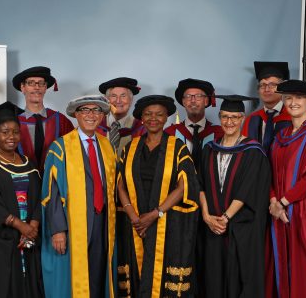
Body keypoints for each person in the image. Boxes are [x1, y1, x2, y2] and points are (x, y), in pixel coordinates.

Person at [117, 95, 199, 297]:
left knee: (161, 275)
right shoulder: (130, 147)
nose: (153, 118)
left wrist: (155, 213)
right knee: (136, 272)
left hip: (165, 222)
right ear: (141, 118)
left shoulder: (177, 147)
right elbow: (120, 184)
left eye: (159, 114)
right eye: (148, 114)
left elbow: (184, 185)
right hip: (134, 222)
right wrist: (135, 217)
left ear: (166, 118)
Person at [41, 95, 116, 298]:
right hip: (73, 224)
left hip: (103, 221)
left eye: (97, 111)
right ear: (76, 114)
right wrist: (58, 230)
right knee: (74, 279)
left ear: (102, 116)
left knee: (100, 274)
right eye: (85, 110)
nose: (91, 115)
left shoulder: (107, 147)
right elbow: (52, 192)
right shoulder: (61, 147)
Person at [198, 95, 270, 298]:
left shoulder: (253, 151)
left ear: (243, 119)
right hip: (212, 226)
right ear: (220, 117)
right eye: (225, 117)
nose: (229, 122)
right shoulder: (209, 150)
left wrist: (226, 218)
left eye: (235, 117)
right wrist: (206, 216)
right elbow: (200, 185)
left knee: (238, 279)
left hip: (239, 228)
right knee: (213, 278)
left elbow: (247, 189)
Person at [0, 101, 44, 298]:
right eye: (5, 132)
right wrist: (20, 227)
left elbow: (40, 197)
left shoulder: (28, 164)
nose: (11, 137)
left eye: (15, 132)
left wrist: (32, 226)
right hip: (2, 239)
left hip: (29, 236)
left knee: (31, 284)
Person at [268, 80, 306, 298]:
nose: (293, 102)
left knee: (303, 268)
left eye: (298, 98)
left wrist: (284, 202)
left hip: (303, 213)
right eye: (288, 98)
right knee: (280, 266)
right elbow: (268, 173)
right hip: (277, 214)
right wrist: (273, 202)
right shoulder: (280, 137)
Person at [13, 66, 74, 172]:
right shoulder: (13, 122)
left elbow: (73, 153)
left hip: (54, 182)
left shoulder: (60, 120)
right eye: (31, 83)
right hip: (22, 183)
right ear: (23, 87)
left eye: (41, 83)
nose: (37, 87)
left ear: (45, 88)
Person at [165, 78, 223, 171]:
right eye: (188, 96)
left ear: (206, 101)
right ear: (183, 102)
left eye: (198, 96)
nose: (193, 100)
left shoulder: (219, 134)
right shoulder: (170, 133)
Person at [242, 61, 293, 153]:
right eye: (263, 85)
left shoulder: (293, 117)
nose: (266, 89)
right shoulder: (251, 119)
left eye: (272, 85)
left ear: (282, 88)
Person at [97, 77, 145, 156]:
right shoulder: (95, 126)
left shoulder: (141, 129)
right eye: (113, 96)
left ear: (131, 100)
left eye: (123, 96)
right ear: (107, 100)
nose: (118, 101)